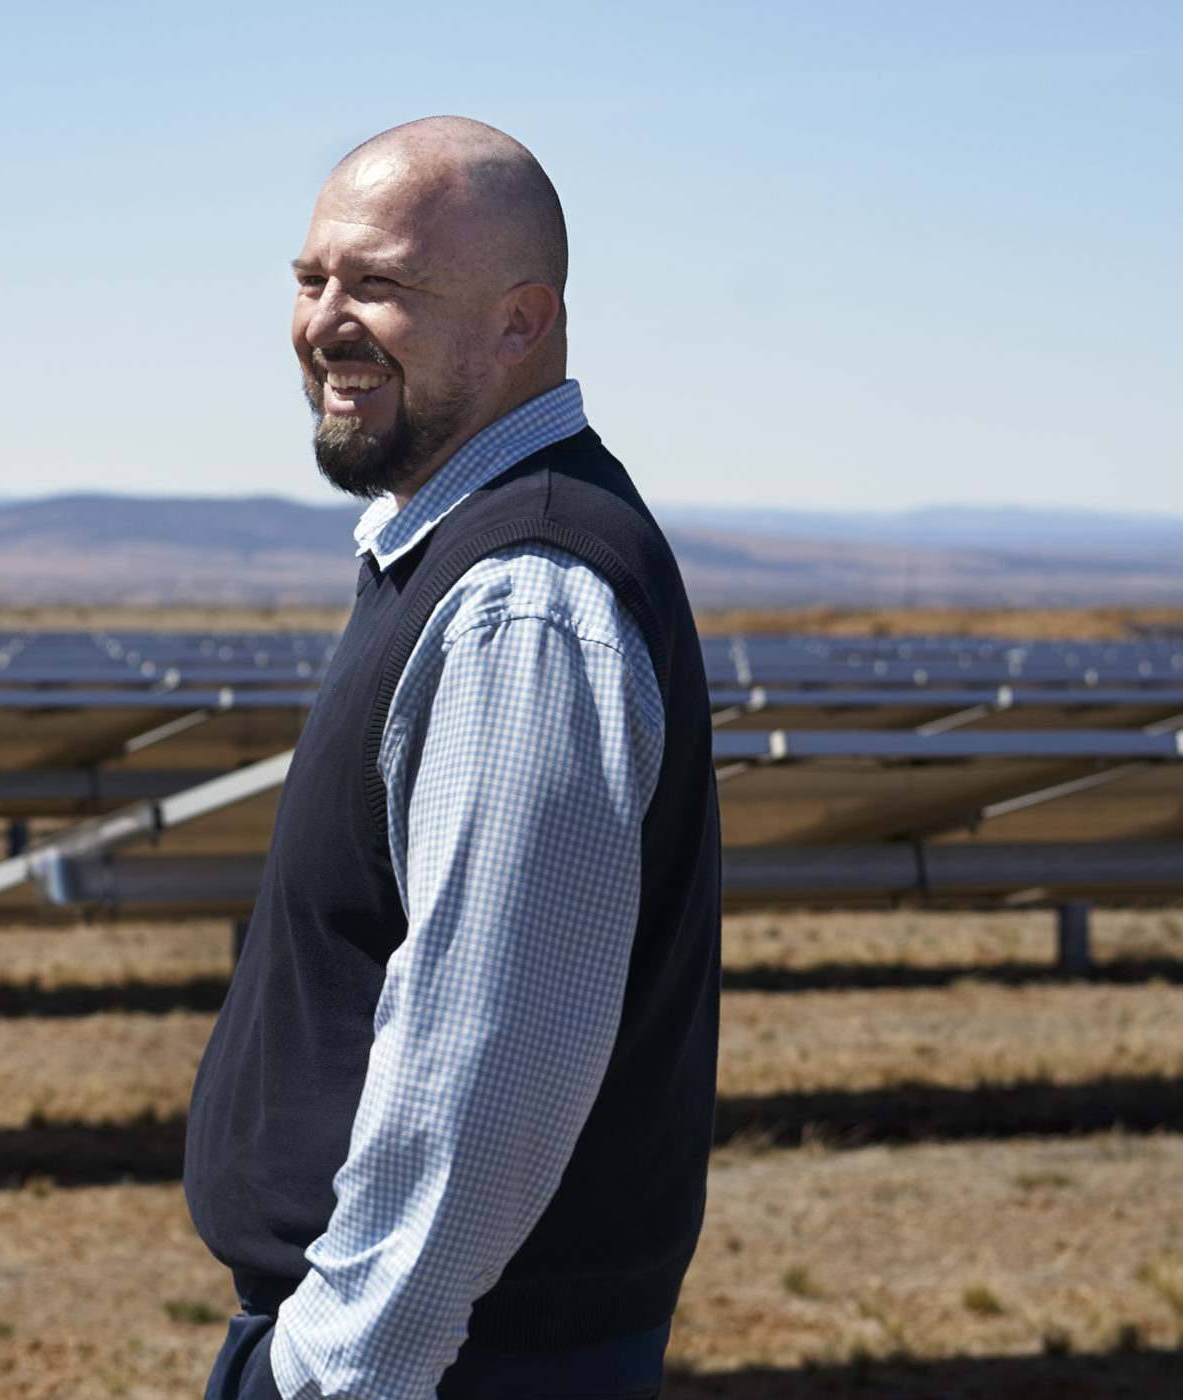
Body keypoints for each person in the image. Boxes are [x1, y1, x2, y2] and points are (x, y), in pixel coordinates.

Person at [183, 117, 722, 1400]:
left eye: (382, 285)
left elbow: (492, 1049)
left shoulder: (521, 593)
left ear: (521, 324)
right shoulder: (458, 553)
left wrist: (339, 1366)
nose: (325, 321)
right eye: (312, 280)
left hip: (441, 1367)